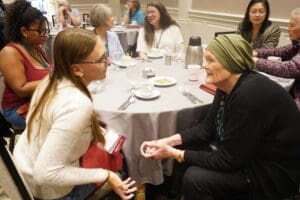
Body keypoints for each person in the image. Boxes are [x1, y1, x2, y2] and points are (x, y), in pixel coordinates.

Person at [140, 34, 300, 200]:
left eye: (210, 60)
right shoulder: (227, 84)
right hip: (250, 155)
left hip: (272, 175)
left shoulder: (249, 95)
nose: (203, 65)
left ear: (231, 61)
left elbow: (228, 160)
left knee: (196, 178)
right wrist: (166, 142)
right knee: (186, 151)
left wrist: (173, 153)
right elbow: (206, 129)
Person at [13, 28, 137, 200]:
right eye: (101, 59)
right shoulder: (77, 104)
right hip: (50, 190)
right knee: (122, 168)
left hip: (24, 164)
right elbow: (46, 174)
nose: (108, 61)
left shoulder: (50, 80)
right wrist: (106, 175)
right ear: (77, 69)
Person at [0, 0, 53, 129]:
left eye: (45, 30)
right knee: (62, 124)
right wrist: (55, 78)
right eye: (40, 31)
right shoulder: (10, 52)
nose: (44, 35)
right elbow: (21, 89)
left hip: (39, 101)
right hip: (18, 108)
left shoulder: (35, 47)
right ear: (24, 31)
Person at [253, 8, 300, 111]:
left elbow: (289, 68)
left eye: (292, 25)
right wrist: (256, 53)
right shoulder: (297, 44)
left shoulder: (272, 29)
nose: (288, 29)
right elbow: (280, 51)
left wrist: (255, 61)